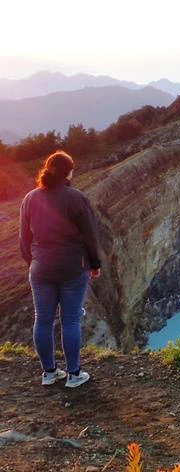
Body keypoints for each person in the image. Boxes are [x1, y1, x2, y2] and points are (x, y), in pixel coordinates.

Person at [18, 150, 102, 388]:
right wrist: (95, 264)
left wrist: (34, 263)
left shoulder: (30, 198)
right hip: (72, 268)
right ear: (69, 172)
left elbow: (24, 240)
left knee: (42, 320)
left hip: (41, 268)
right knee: (70, 320)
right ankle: (74, 375)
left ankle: (49, 373)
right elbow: (90, 235)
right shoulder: (77, 198)